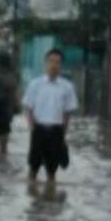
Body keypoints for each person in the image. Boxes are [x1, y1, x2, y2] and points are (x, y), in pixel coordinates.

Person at [22, 49, 78, 183]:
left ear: (61, 65)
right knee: (33, 168)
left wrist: (63, 134)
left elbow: (67, 113)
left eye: (57, 62)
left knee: (52, 171)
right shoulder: (35, 84)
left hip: (56, 131)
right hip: (38, 129)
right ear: (46, 63)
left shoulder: (67, 87)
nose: (54, 65)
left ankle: (50, 198)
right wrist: (31, 127)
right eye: (51, 61)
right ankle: (33, 198)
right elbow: (28, 108)